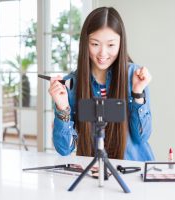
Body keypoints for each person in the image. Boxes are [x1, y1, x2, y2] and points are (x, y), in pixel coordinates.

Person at [48, 7, 154, 161]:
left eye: (111, 45)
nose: (103, 53)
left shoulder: (135, 75)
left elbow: (142, 136)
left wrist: (137, 93)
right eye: (95, 44)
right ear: (85, 43)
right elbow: (64, 148)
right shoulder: (71, 84)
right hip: (92, 174)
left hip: (133, 172)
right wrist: (62, 107)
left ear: (120, 43)